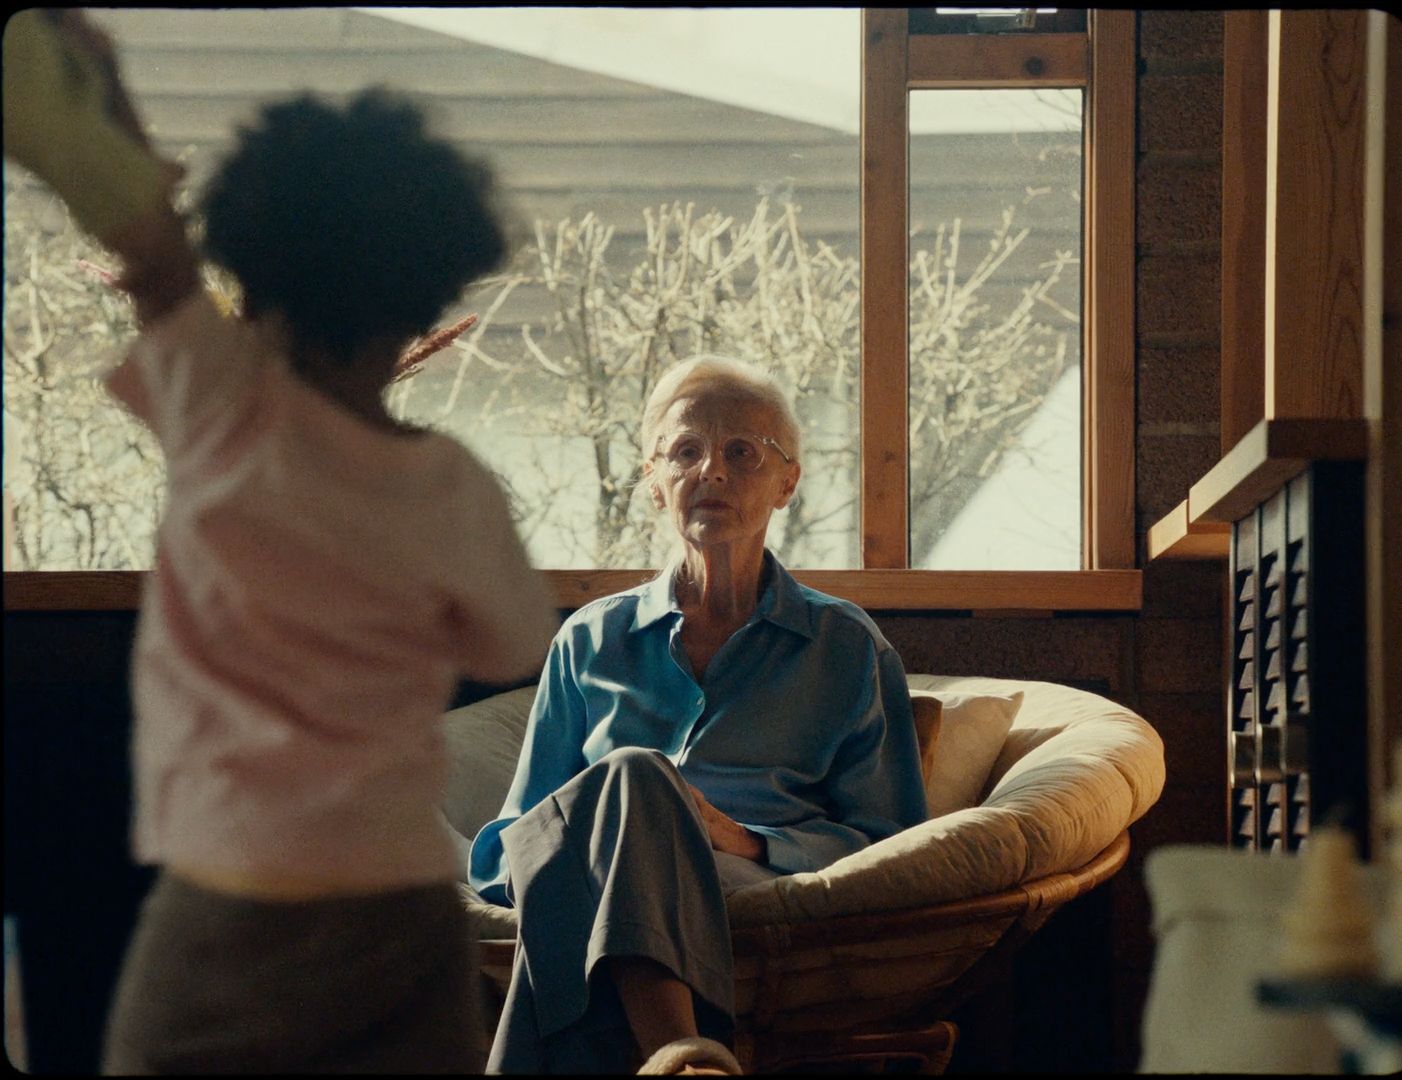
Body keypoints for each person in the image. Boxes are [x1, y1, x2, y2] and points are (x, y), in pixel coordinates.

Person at [4, 10, 558, 1073]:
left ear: (251, 276)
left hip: (231, 904)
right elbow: (508, 648)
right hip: (403, 909)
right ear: (428, 295)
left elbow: (147, 245)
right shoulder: (451, 488)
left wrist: (102, 96)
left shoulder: (223, 407)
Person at [468, 355, 930, 1074]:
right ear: (654, 482)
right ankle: (683, 1059)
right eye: (685, 451)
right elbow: (510, 850)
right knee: (633, 777)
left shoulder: (847, 649)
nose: (711, 470)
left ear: (787, 483)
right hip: (596, 878)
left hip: (746, 879)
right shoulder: (589, 640)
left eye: (742, 452)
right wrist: (623, 815)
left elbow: (893, 845)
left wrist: (743, 840)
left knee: (631, 777)